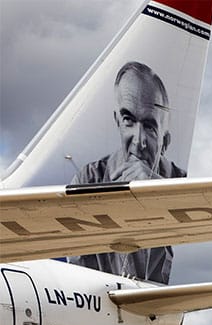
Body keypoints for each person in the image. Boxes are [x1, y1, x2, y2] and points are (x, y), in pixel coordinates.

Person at [67, 61, 185, 284]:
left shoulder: (181, 182)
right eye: (128, 120)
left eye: (149, 127)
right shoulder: (89, 179)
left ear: (166, 141)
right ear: (117, 122)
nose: (138, 141)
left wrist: (158, 195)